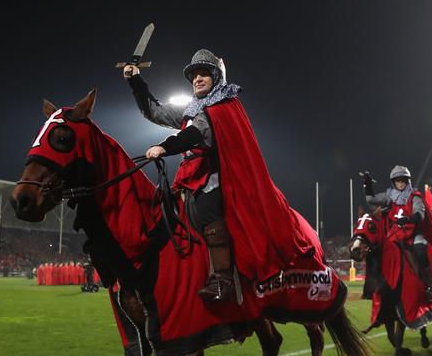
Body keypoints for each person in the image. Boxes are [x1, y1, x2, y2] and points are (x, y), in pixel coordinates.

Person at [124, 49, 316, 304]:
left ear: (216, 77)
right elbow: (154, 111)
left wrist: (164, 147)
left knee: (206, 203)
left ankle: (223, 279)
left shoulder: (222, 106)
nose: (197, 79)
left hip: (217, 177)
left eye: (204, 74)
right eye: (194, 75)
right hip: (190, 175)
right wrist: (136, 81)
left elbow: (196, 135)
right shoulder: (191, 109)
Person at [362, 165, 432, 301]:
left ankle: (430, 286)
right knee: (379, 252)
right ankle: (373, 286)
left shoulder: (415, 196)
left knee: (421, 251)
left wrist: (407, 219)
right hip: (396, 233)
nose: (400, 183)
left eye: (402, 181)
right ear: (393, 182)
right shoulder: (389, 196)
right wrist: (367, 185)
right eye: (397, 181)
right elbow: (371, 200)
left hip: (414, 233)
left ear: (407, 181)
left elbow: (420, 215)